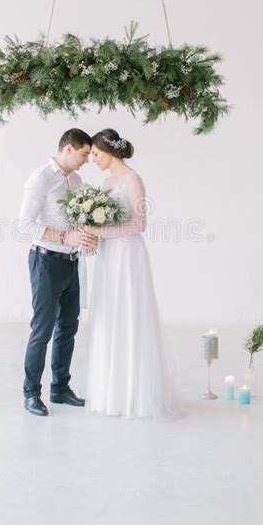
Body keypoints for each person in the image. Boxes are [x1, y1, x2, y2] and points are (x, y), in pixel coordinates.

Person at [80, 128, 181, 420]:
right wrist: (93, 234)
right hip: (109, 256)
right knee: (109, 315)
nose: (93, 160)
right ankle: (109, 391)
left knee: (128, 313)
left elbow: (139, 225)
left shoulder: (133, 180)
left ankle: (132, 393)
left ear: (109, 152)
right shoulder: (107, 181)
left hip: (127, 255)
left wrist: (101, 230)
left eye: (96, 154)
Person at [18, 129, 98, 417]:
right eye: (84, 154)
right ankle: (31, 393)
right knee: (42, 330)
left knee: (68, 327)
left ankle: (60, 388)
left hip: (72, 264)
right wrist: (65, 238)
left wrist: (86, 235)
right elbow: (25, 224)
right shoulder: (40, 179)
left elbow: (78, 221)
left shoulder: (77, 181)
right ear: (68, 149)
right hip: (46, 263)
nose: (87, 160)